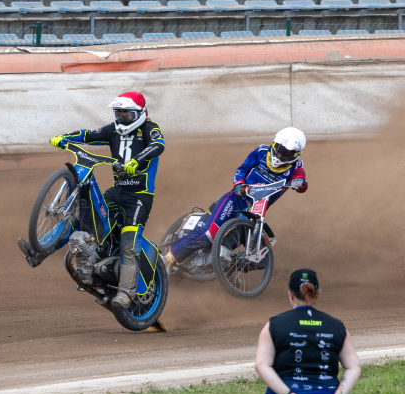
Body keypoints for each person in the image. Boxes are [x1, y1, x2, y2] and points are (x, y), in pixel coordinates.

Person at [17, 92, 165, 309]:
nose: (122, 118)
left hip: (139, 196)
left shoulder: (150, 128)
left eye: (127, 114)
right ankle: (38, 251)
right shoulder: (113, 130)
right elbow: (88, 135)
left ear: (141, 114)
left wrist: (137, 160)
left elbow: (158, 145)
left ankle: (126, 292)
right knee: (81, 216)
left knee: (129, 240)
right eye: (118, 114)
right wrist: (64, 137)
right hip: (117, 192)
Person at [165, 127, 307, 270]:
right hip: (234, 200)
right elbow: (242, 169)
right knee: (209, 234)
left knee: (261, 260)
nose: (281, 155)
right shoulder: (261, 152)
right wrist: (239, 184)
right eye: (280, 149)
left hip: (254, 215)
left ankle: (227, 270)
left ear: (296, 154)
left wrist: (300, 183)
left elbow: (300, 181)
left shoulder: (296, 167)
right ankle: (169, 258)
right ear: (274, 144)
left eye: (287, 153)